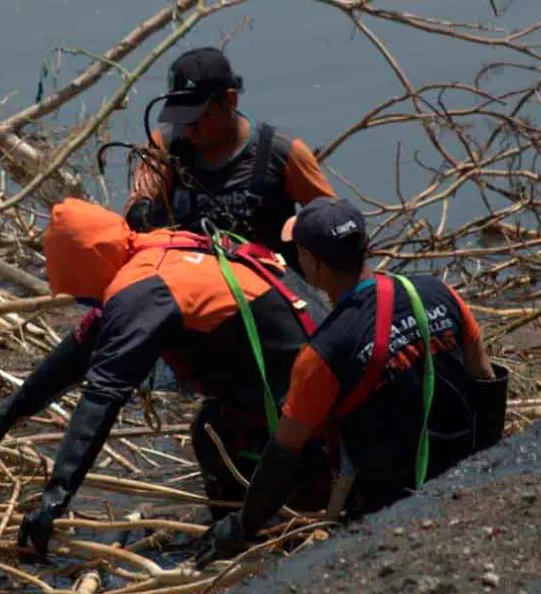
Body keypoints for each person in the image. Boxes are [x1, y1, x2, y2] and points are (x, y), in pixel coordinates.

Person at [0, 197, 330, 558]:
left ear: (86, 268)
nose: (83, 301)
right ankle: (254, 529)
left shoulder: (143, 289)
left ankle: (268, 539)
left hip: (307, 399)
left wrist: (56, 494)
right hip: (313, 358)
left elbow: (102, 396)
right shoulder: (155, 248)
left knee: (216, 437)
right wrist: (7, 415)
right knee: (211, 430)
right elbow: (80, 350)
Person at [194, 198, 510, 568]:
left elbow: (284, 454)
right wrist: (493, 468)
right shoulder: (440, 293)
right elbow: (486, 378)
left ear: (311, 264)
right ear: (367, 248)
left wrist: (242, 526)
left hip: (394, 508)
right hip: (468, 474)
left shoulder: (324, 352)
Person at [126, 46, 336, 271]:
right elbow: (136, 214)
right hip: (188, 279)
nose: (189, 130)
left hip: (267, 287)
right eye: (182, 119)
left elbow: (335, 226)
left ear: (230, 100)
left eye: (198, 118)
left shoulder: (283, 154)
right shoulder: (165, 146)